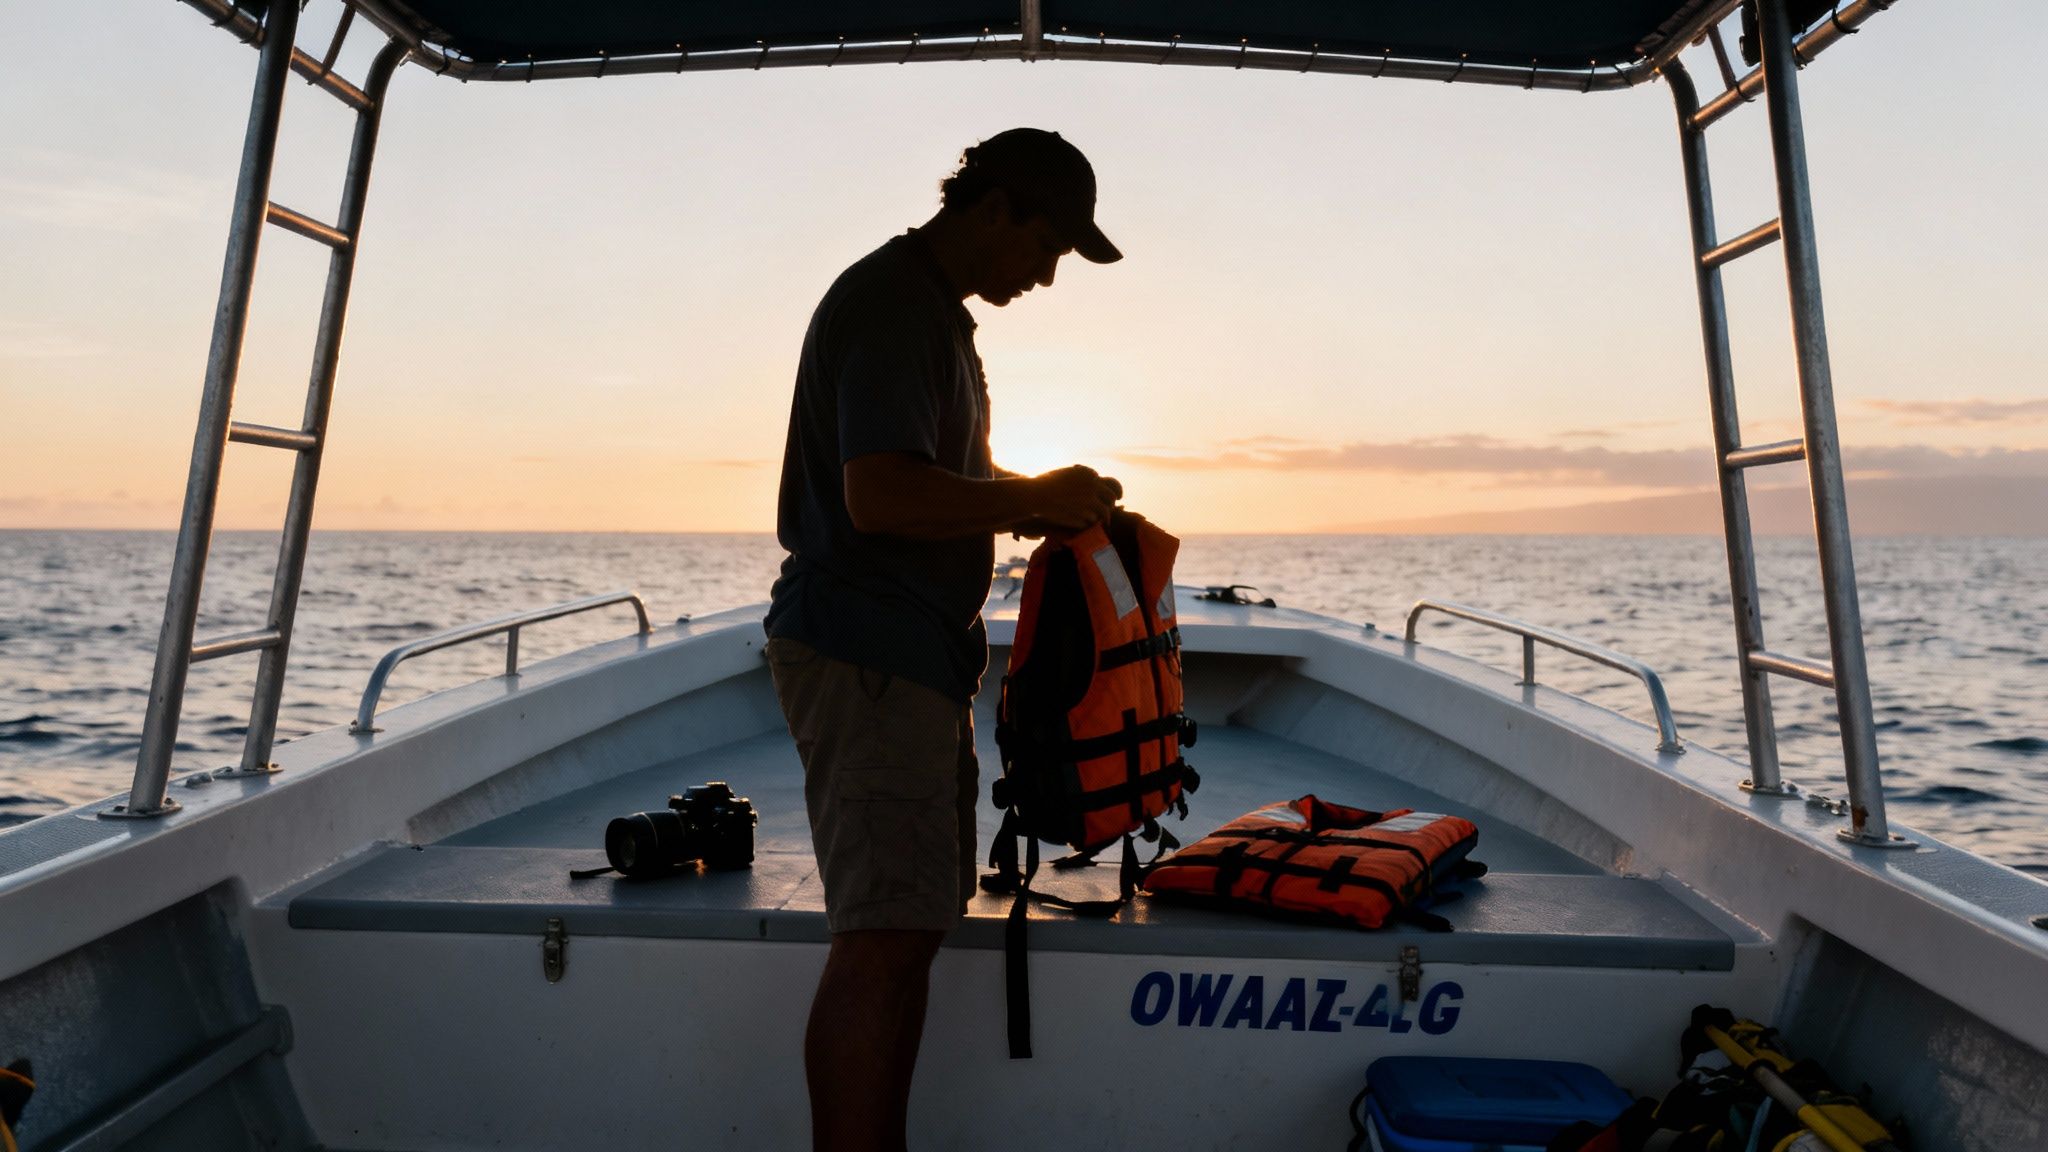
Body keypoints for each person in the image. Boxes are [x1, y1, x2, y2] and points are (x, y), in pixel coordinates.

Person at [762, 128, 1124, 1152]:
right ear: (997, 208)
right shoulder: (890, 310)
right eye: (1047, 247)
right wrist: (1031, 494)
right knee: (880, 941)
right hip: (868, 656)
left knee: (907, 929)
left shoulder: (933, 317)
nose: (1047, 277)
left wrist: (1032, 505)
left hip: (907, 661)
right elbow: (878, 496)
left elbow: (935, 481)